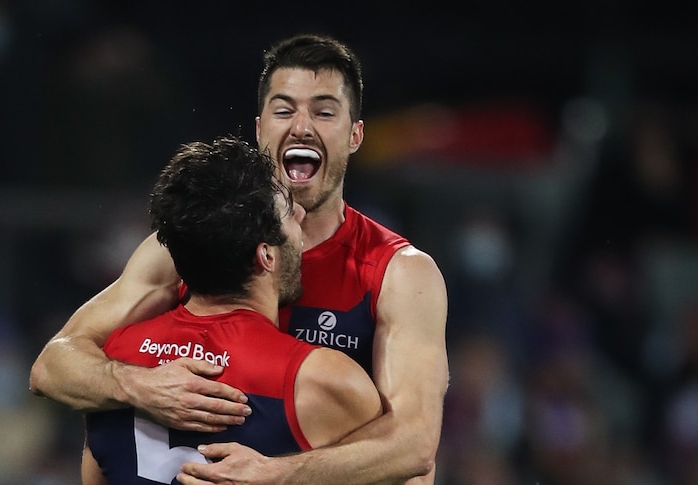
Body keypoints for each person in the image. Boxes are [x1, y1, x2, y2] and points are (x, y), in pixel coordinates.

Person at [31, 33, 449, 484]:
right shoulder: (187, 242)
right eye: (284, 109)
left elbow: (413, 449)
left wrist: (276, 476)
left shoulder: (400, 273)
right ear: (258, 128)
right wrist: (137, 385)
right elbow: (54, 364)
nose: (302, 127)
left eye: (324, 112)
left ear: (355, 135)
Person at [80, 135, 382, 484]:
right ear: (265, 256)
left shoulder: (114, 355)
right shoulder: (324, 381)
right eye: (286, 210)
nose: (299, 212)